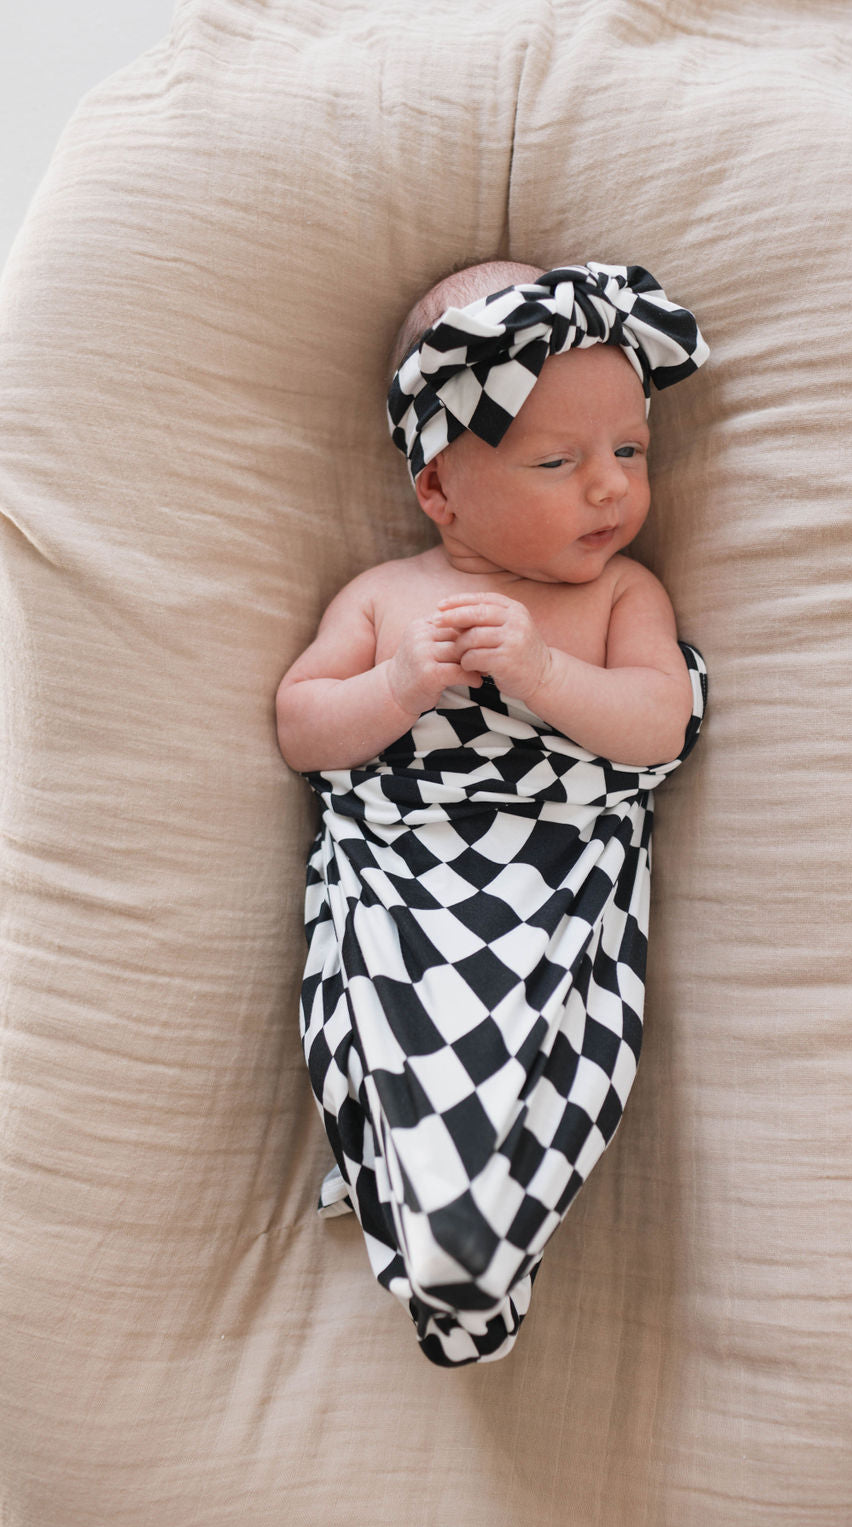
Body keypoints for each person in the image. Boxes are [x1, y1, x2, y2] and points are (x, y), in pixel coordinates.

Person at [276, 260, 709, 1365]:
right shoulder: (385, 597)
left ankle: (461, 1232)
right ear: (438, 490)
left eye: (628, 451)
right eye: (558, 462)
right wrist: (398, 687)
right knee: (378, 1020)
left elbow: (659, 722)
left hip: (555, 883)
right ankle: (422, 1205)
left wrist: (544, 676)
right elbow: (302, 727)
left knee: (553, 1053)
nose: (608, 488)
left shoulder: (621, 596)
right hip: (406, 872)